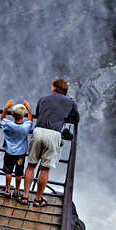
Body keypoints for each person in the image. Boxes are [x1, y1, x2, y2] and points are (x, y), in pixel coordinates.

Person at [20, 78, 79, 207]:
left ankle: (25, 196)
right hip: (53, 134)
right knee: (44, 169)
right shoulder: (70, 103)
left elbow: (38, 113)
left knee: (31, 165)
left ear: (54, 88)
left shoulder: (43, 99)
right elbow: (76, 118)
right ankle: (38, 199)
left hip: (39, 131)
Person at [0, 100, 34, 198]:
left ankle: (7, 190)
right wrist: (29, 109)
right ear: (23, 116)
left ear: (12, 115)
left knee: (8, 171)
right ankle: (17, 191)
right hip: (21, 154)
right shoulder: (26, 126)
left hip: (9, 152)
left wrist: (6, 108)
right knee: (19, 173)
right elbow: (30, 121)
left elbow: (2, 118)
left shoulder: (8, 124)